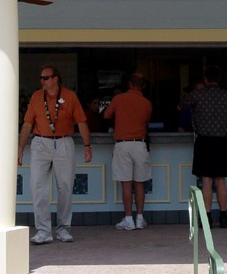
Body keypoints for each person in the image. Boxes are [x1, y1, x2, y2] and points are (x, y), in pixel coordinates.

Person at [18, 65, 92, 244]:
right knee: (38, 186)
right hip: (40, 142)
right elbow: (27, 124)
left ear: (55, 79)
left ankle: (63, 229)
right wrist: (20, 148)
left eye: (45, 78)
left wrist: (87, 145)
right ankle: (43, 231)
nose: (42, 81)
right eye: (41, 78)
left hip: (64, 142)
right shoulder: (36, 96)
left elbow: (81, 122)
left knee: (65, 186)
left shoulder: (70, 96)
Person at [187, 65, 227, 228]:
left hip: (203, 141)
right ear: (218, 79)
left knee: (206, 181)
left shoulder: (197, 95)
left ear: (205, 79)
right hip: (221, 140)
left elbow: (181, 106)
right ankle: (223, 216)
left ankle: (206, 217)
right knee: (220, 180)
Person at [103, 72, 152, 231]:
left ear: (129, 84)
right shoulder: (147, 103)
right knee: (140, 183)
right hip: (140, 144)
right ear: (143, 85)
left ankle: (128, 219)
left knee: (126, 183)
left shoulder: (118, 99)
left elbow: (106, 115)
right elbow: (146, 121)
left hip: (122, 144)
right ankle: (140, 218)